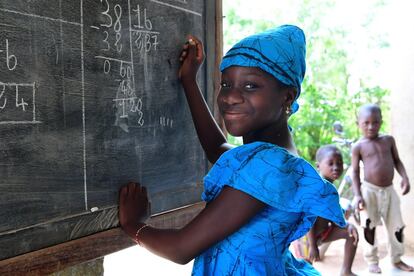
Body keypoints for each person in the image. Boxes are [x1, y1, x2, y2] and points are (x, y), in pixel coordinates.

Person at [118, 25, 346, 275]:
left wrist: (134, 225)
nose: (230, 97)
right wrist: (189, 81)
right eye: (226, 84)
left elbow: (181, 248)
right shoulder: (273, 157)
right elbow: (218, 148)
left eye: (250, 86)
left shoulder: (268, 164)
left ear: (287, 97)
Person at [351, 103, 413, 273]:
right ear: (358, 124)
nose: (371, 126)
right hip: (368, 191)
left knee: (397, 225)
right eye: (366, 123)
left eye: (375, 122)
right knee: (368, 225)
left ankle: (397, 258)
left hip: (389, 190)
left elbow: (397, 161)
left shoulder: (388, 140)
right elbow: (355, 172)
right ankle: (372, 260)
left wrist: (405, 177)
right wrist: (357, 195)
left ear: (381, 122)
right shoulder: (358, 146)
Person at [307, 145, 359, 276]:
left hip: (324, 232)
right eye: (330, 163)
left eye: (339, 163)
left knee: (351, 232)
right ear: (318, 166)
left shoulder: (331, 188)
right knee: (305, 266)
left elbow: (332, 215)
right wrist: (312, 245)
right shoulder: (317, 188)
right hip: (307, 236)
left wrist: (347, 225)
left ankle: (346, 271)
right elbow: (308, 219)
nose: (336, 167)